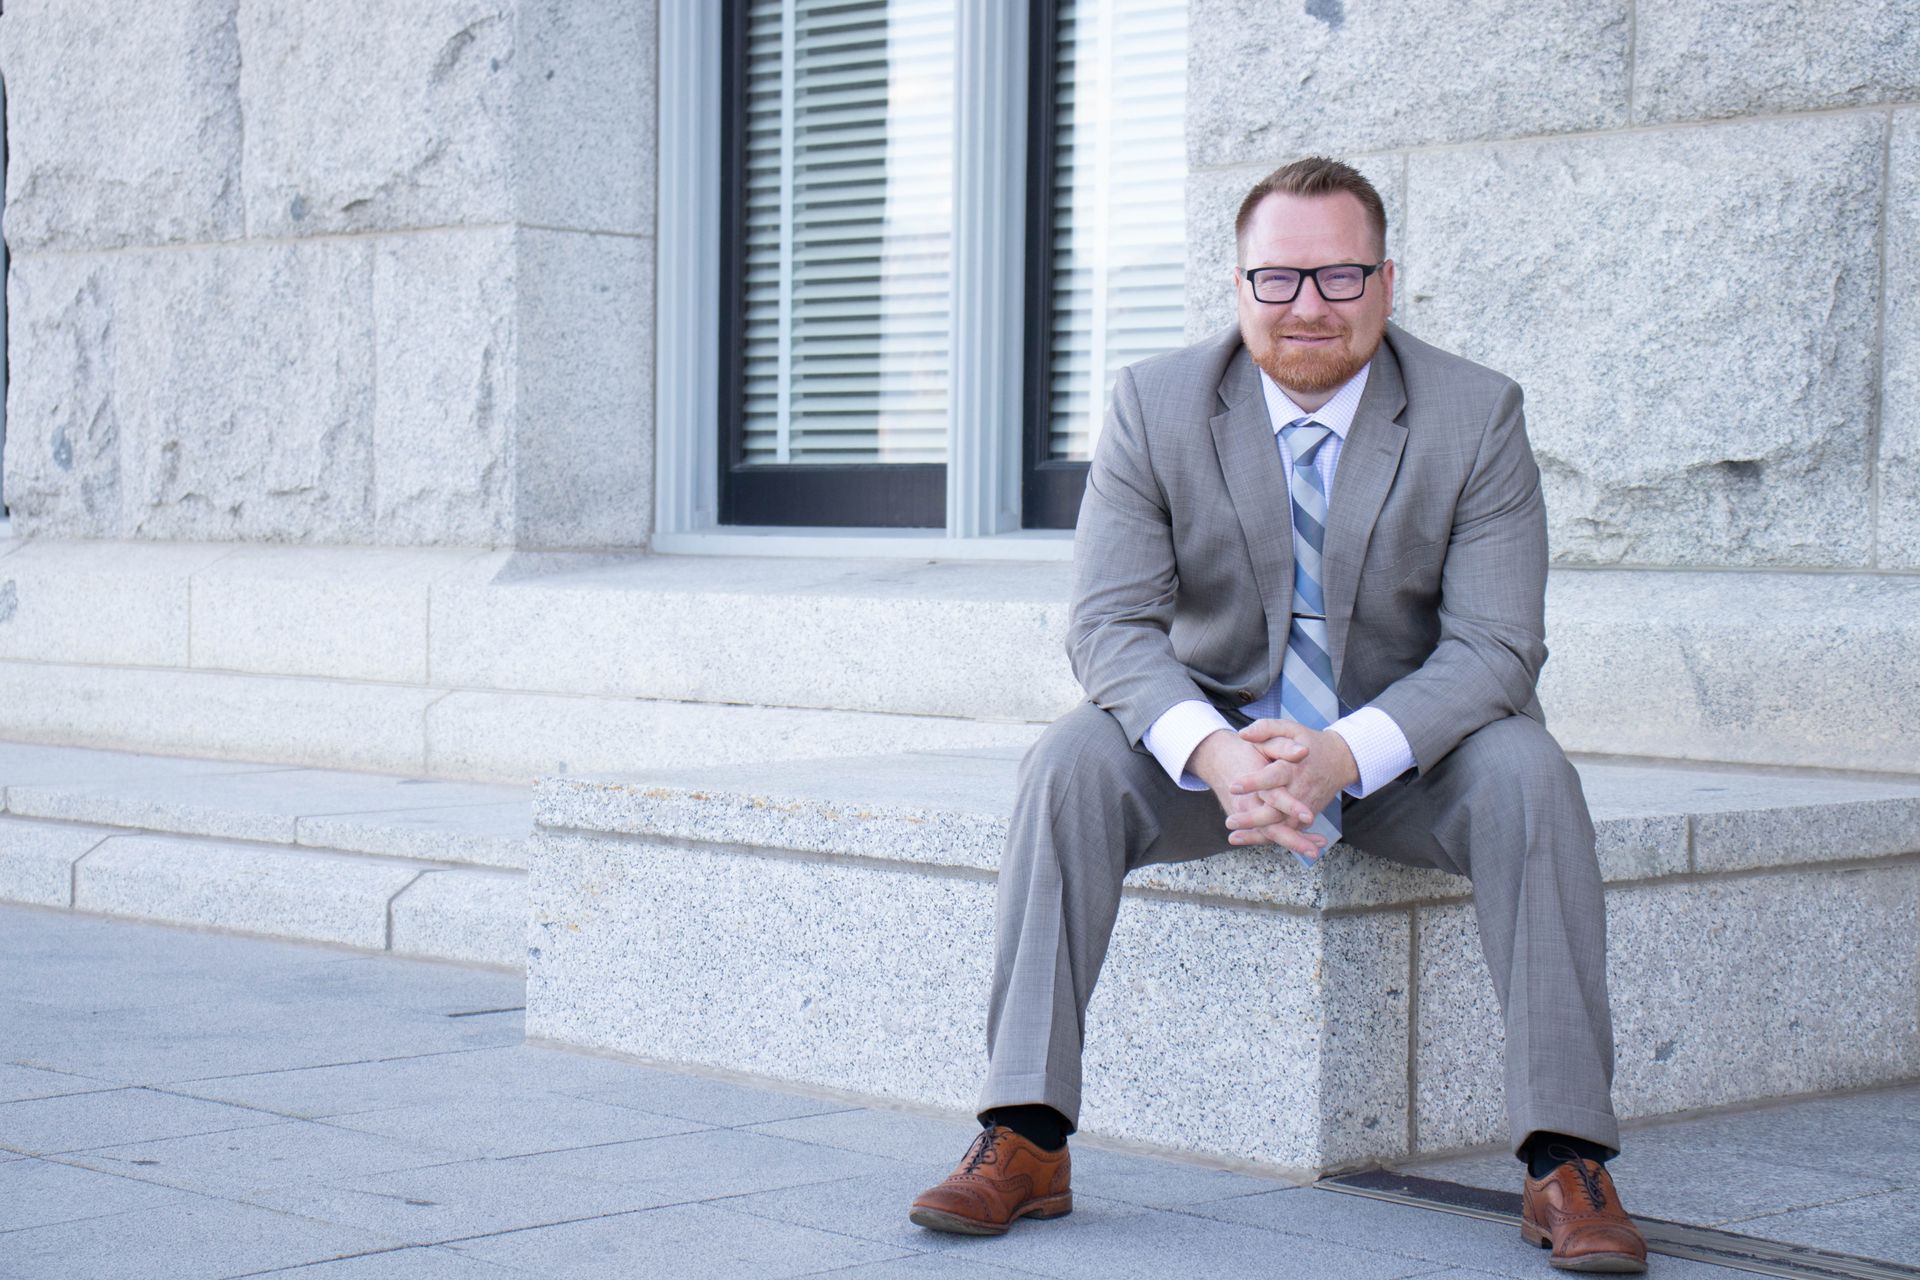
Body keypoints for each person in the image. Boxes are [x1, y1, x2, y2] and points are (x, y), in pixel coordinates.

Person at [908, 157, 1647, 1273]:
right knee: (1068, 758)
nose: (1310, 304)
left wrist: (1344, 752)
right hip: (1221, 752)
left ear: (1388, 282)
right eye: (1281, 277)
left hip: (1408, 758)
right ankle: (1026, 1133)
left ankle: (1565, 1161)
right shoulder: (1155, 402)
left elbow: (1498, 645)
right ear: (1239, 284)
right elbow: (1109, 625)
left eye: (1341, 276)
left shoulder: (1475, 412)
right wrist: (1214, 750)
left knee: (1532, 769)